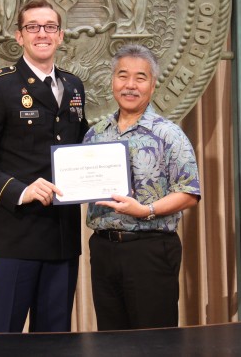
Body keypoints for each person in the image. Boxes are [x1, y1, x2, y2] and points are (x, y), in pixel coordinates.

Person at [0, 0, 88, 333]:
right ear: (19, 36)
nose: (41, 34)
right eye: (33, 27)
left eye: (49, 27)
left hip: (62, 240)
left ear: (60, 35)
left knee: (54, 346)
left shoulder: (73, 86)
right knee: (1, 344)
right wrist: (21, 189)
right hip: (13, 241)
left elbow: (79, 148)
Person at [83, 44, 201, 330]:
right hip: (103, 248)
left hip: (150, 249)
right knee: (111, 341)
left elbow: (189, 193)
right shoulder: (96, 133)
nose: (130, 85)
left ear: (152, 84)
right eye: (123, 76)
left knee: (154, 342)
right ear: (112, 81)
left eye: (140, 78)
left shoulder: (169, 134)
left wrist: (145, 210)